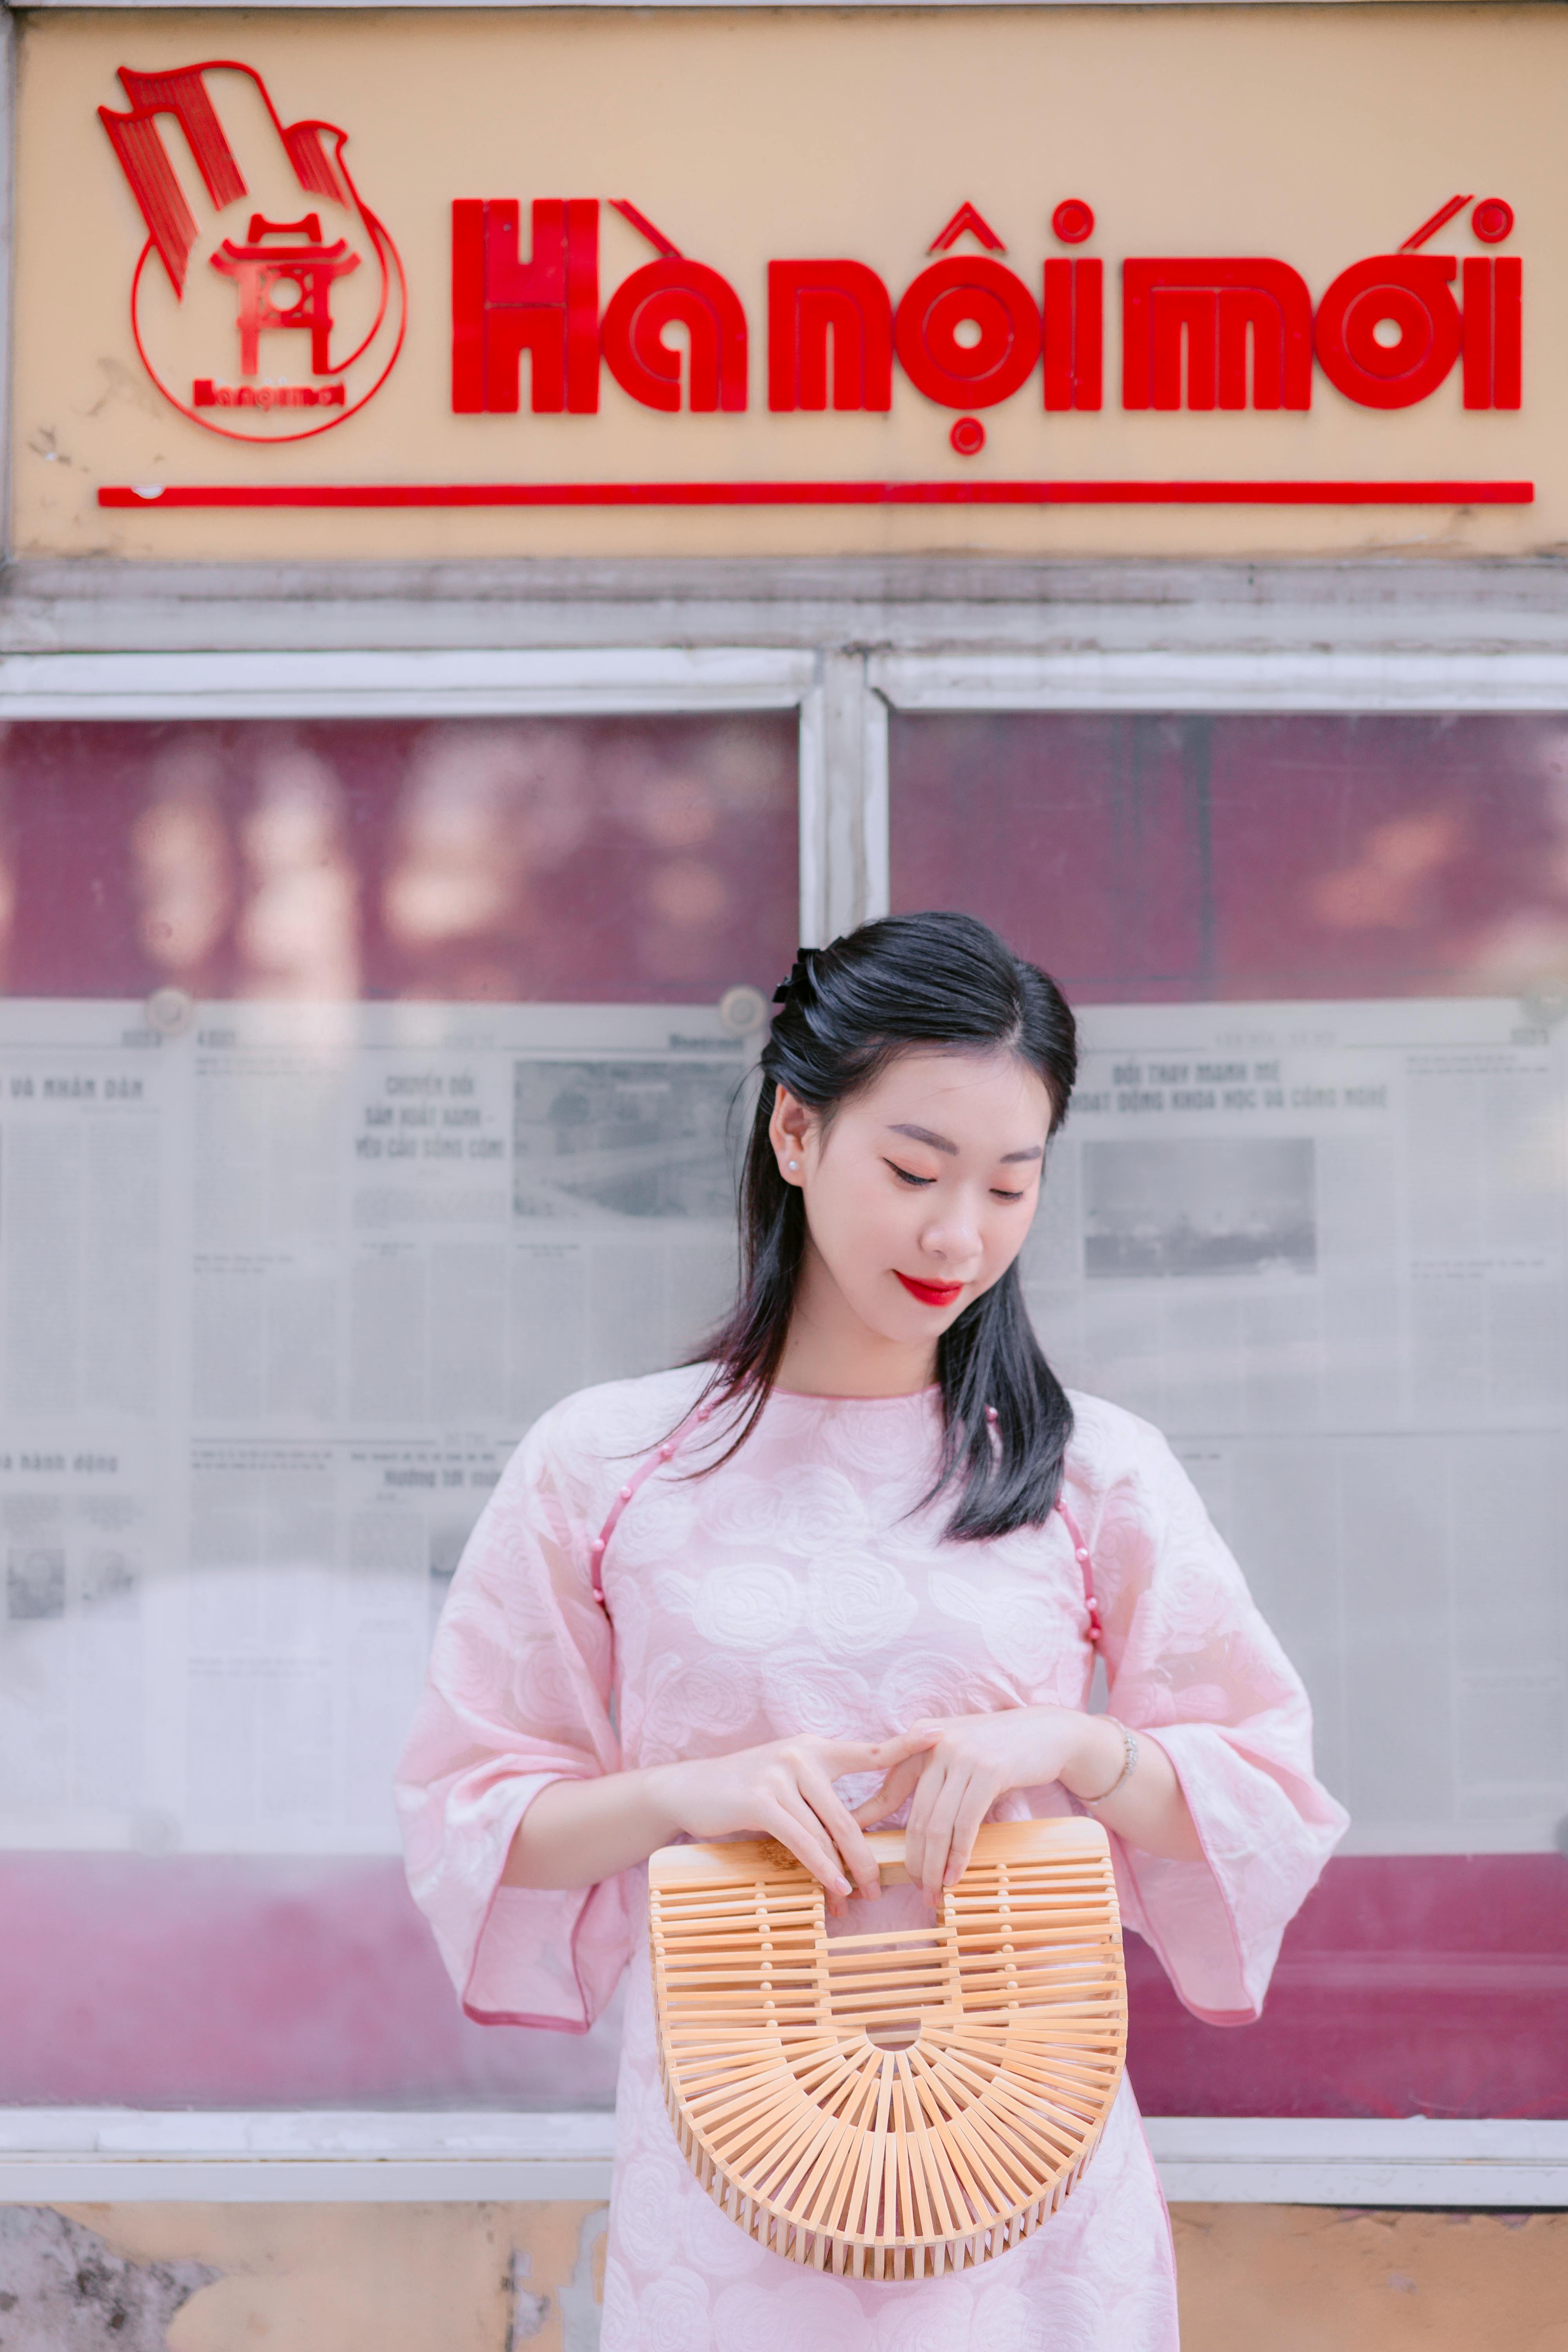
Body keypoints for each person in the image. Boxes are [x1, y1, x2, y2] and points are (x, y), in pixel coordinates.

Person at [396, 911, 1347, 2351]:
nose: (958, 1235)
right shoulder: (603, 1463)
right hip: (732, 2162)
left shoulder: (1097, 1468)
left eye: (1010, 1187)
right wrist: (681, 1798)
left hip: (1030, 2173)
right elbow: (472, 1813)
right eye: (914, 1170)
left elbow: (1266, 1789)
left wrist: (1082, 1748)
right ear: (795, 1131)